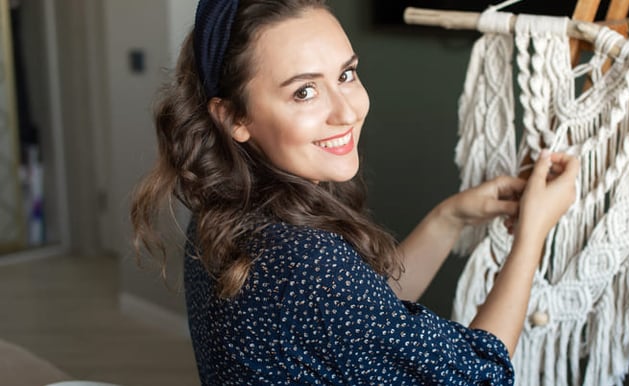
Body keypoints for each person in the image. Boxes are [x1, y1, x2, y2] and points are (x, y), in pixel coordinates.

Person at [130, 0, 578, 384]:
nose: (347, 112)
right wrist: (533, 234)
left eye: (346, 75)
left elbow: (366, 318)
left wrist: (450, 218)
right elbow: (481, 374)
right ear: (234, 118)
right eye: (304, 91)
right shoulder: (305, 263)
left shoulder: (225, 211)